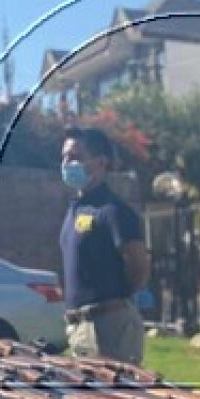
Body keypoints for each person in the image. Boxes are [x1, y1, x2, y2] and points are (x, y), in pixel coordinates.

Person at [59, 126, 151, 364]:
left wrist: (115, 302)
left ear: (101, 162)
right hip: (78, 326)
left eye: (76, 156)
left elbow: (138, 266)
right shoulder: (75, 209)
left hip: (108, 326)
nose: (67, 163)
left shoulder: (113, 210)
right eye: (64, 157)